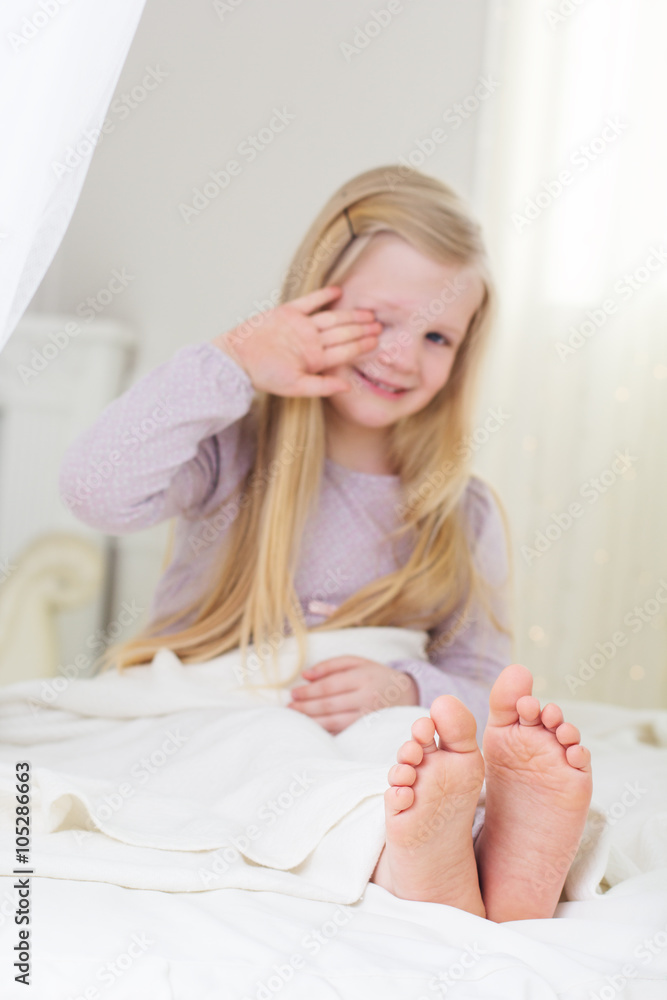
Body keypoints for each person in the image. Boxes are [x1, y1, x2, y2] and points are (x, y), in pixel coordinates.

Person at [58, 164, 592, 922]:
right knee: (269, 756)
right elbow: (94, 488)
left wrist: (408, 688)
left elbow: (478, 675)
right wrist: (236, 359)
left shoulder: (457, 511)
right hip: (231, 709)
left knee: (410, 749)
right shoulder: (229, 453)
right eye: (379, 320)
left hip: (374, 724)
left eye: (437, 335)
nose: (402, 356)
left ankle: (500, 856)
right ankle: (417, 863)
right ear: (311, 302)